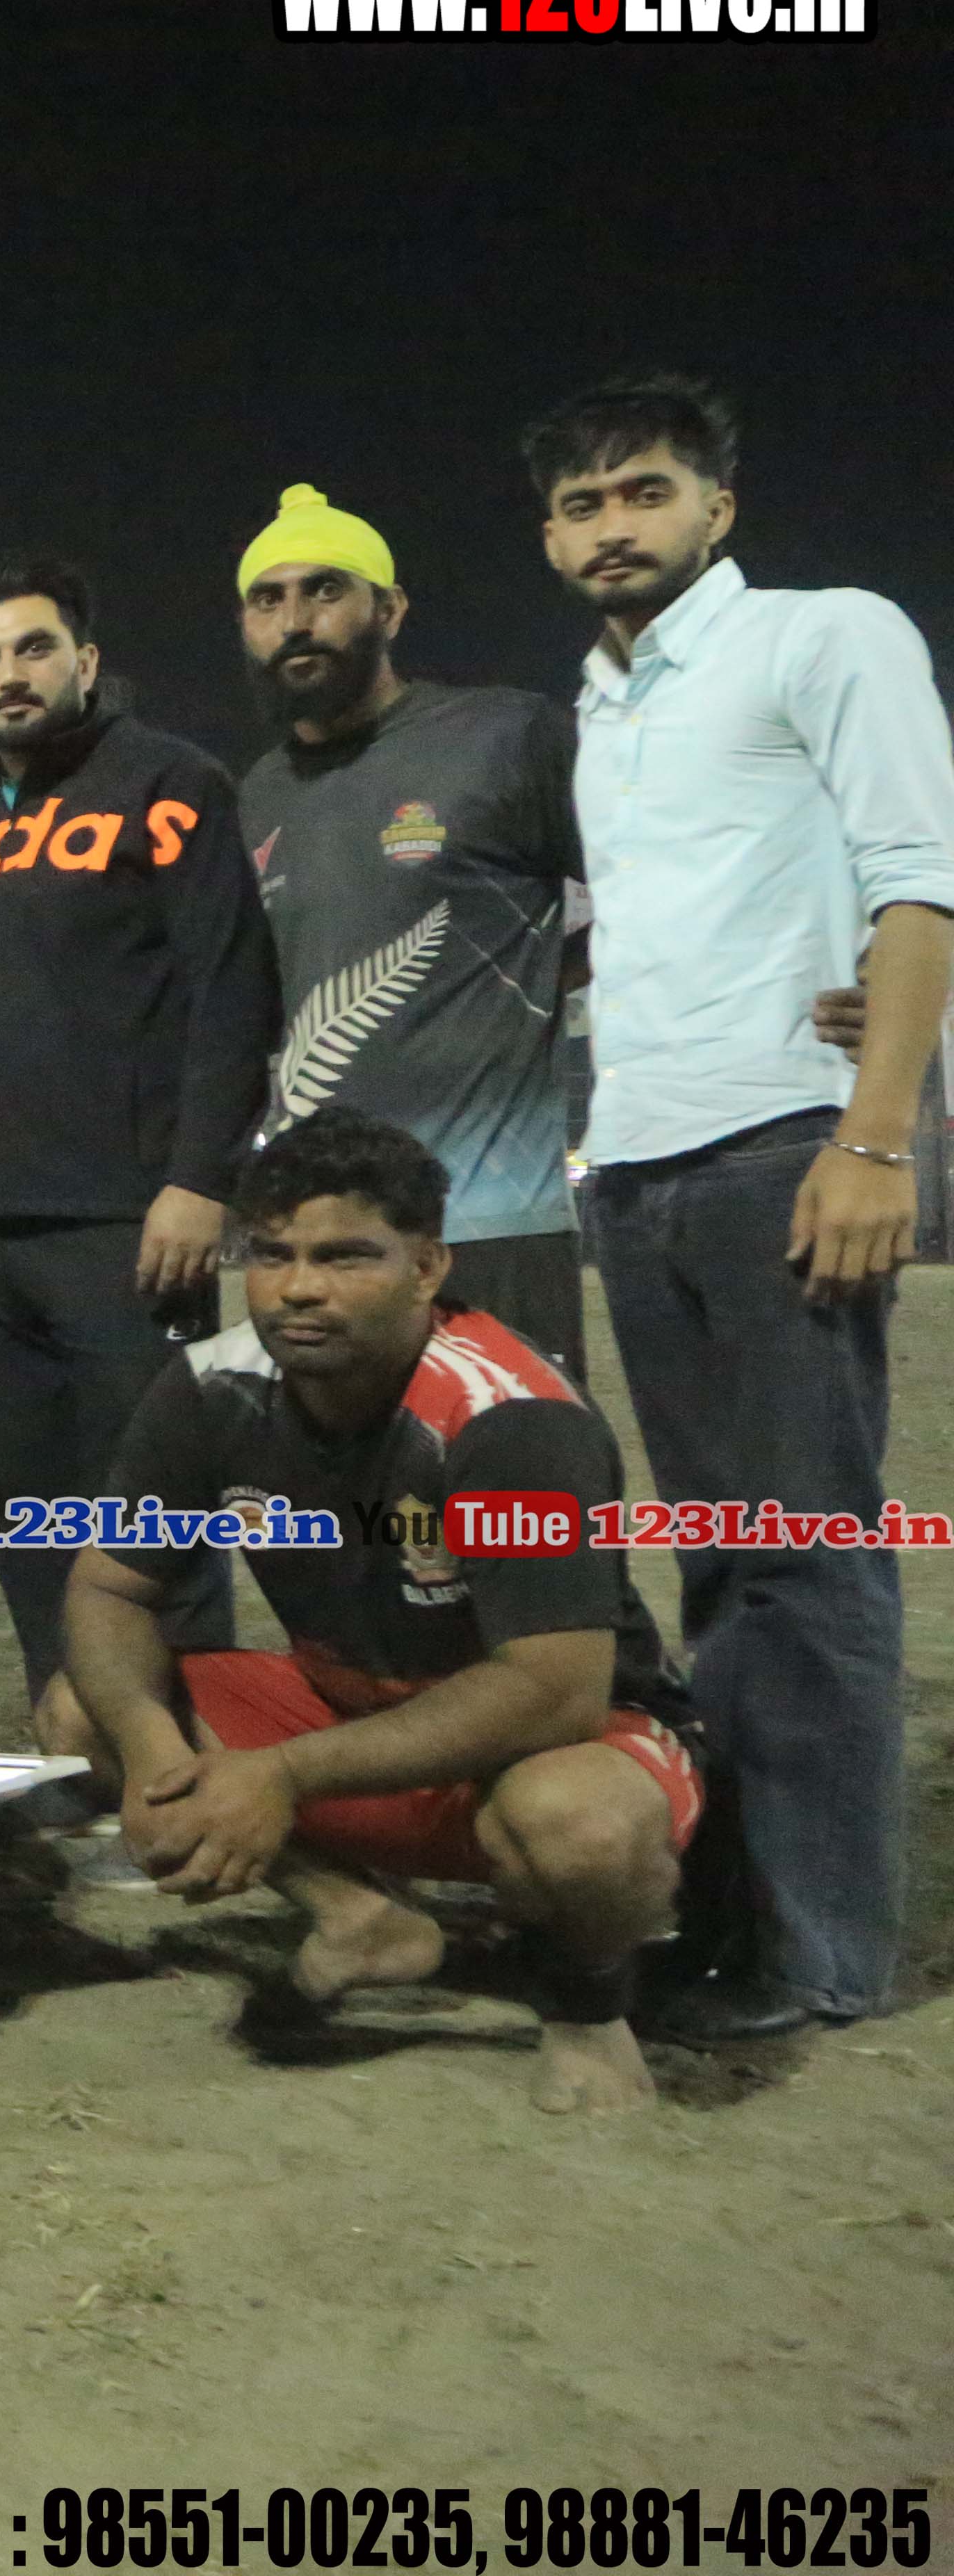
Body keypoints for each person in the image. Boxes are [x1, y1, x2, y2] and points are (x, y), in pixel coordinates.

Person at [526, 373, 954, 2039]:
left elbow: (917, 878)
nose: (610, 526)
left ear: (717, 505)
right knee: (721, 1562)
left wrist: (876, 1138)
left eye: (643, 491)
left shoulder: (821, 634)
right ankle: (744, 1918)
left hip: (782, 1150)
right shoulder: (595, 712)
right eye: (579, 504)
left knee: (809, 1557)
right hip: (636, 1164)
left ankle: (819, 1956)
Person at [63, 1108, 698, 2116]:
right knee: (83, 1709)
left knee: (577, 1824)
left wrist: (280, 1774)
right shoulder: (213, 1385)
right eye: (272, 1254)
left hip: (552, 1745)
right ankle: (361, 1917)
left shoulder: (507, 1416)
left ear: (428, 1266)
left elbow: (557, 1692)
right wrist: (152, 1760)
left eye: (344, 1256)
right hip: (355, 1716)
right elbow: (109, 1586)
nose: (297, 1287)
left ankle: (585, 2005)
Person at [0, 556, 279, 1764]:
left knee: (156, 1519)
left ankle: (192, 1775)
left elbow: (233, 993)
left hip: (131, 1221)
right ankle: (74, 1756)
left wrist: (200, 1180)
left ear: (85, 659)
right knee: (26, 1519)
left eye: (33, 647)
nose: (8, 674)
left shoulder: (171, 783)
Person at [232, 486, 591, 1377]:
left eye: (325, 590)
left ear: (390, 609)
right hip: (323, 1240)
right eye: (268, 600)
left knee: (512, 1462)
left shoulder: (508, 736)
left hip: (492, 1219)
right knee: (343, 1468)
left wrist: (546, 970)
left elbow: (662, 882)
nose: (295, 621)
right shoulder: (257, 795)